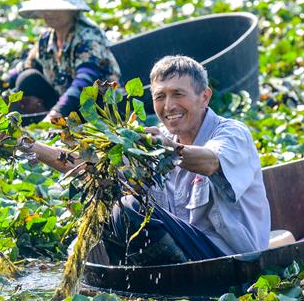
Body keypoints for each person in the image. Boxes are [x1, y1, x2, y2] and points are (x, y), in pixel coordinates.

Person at [31, 55, 271, 265]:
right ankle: (143, 281)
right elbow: (95, 170)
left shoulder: (231, 133)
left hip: (228, 257)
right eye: (160, 96)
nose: (169, 106)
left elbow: (210, 162)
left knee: (130, 208)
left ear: (205, 97)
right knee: (111, 208)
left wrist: (168, 149)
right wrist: (33, 147)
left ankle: (157, 282)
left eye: (178, 94)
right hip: (185, 249)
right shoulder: (155, 139)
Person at [2, 0, 121, 122]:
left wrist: (56, 113)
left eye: (55, 7)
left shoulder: (88, 36)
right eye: (46, 7)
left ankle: (54, 122)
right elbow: (27, 66)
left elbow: (85, 82)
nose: (48, 13)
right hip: (66, 103)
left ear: (72, 10)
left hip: (97, 108)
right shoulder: (46, 39)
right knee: (27, 78)